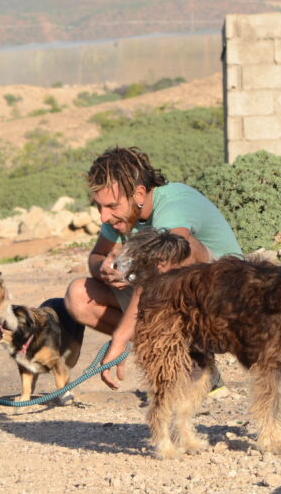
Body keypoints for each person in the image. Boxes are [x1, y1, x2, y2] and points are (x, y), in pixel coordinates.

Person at [63, 147, 242, 390]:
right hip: (164, 295)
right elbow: (97, 255)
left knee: (178, 249)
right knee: (79, 295)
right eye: (99, 206)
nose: (104, 216)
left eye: (112, 206)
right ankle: (186, 358)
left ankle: (195, 356)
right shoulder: (119, 218)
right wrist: (104, 269)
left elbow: (164, 265)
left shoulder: (174, 203)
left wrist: (121, 336)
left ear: (139, 193)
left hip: (224, 304)